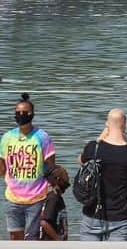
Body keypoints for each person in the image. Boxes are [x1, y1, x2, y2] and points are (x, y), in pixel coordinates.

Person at [78, 108, 127, 241]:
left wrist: (101, 138)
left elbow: (80, 161)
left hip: (91, 215)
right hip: (118, 219)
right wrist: (126, 141)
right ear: (125, 125)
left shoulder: (93, 148)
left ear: (106, 124)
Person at [1, 93, 56, 240]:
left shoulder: (43, 137)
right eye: (17, 113)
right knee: (15, 237)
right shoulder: (7, 138)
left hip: (36, 198)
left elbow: (51, 169)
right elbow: (2, 169)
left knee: (32, 238)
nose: (20, 115)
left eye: (24, 112)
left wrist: (53, 191)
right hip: (13, 197)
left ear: (32, 114)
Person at [38, 165, 69, 241]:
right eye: (66, 177)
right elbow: (44, 223)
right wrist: (58, 240)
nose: (68, 180)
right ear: (58, 179)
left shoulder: (55, 197)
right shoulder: (53, 198)